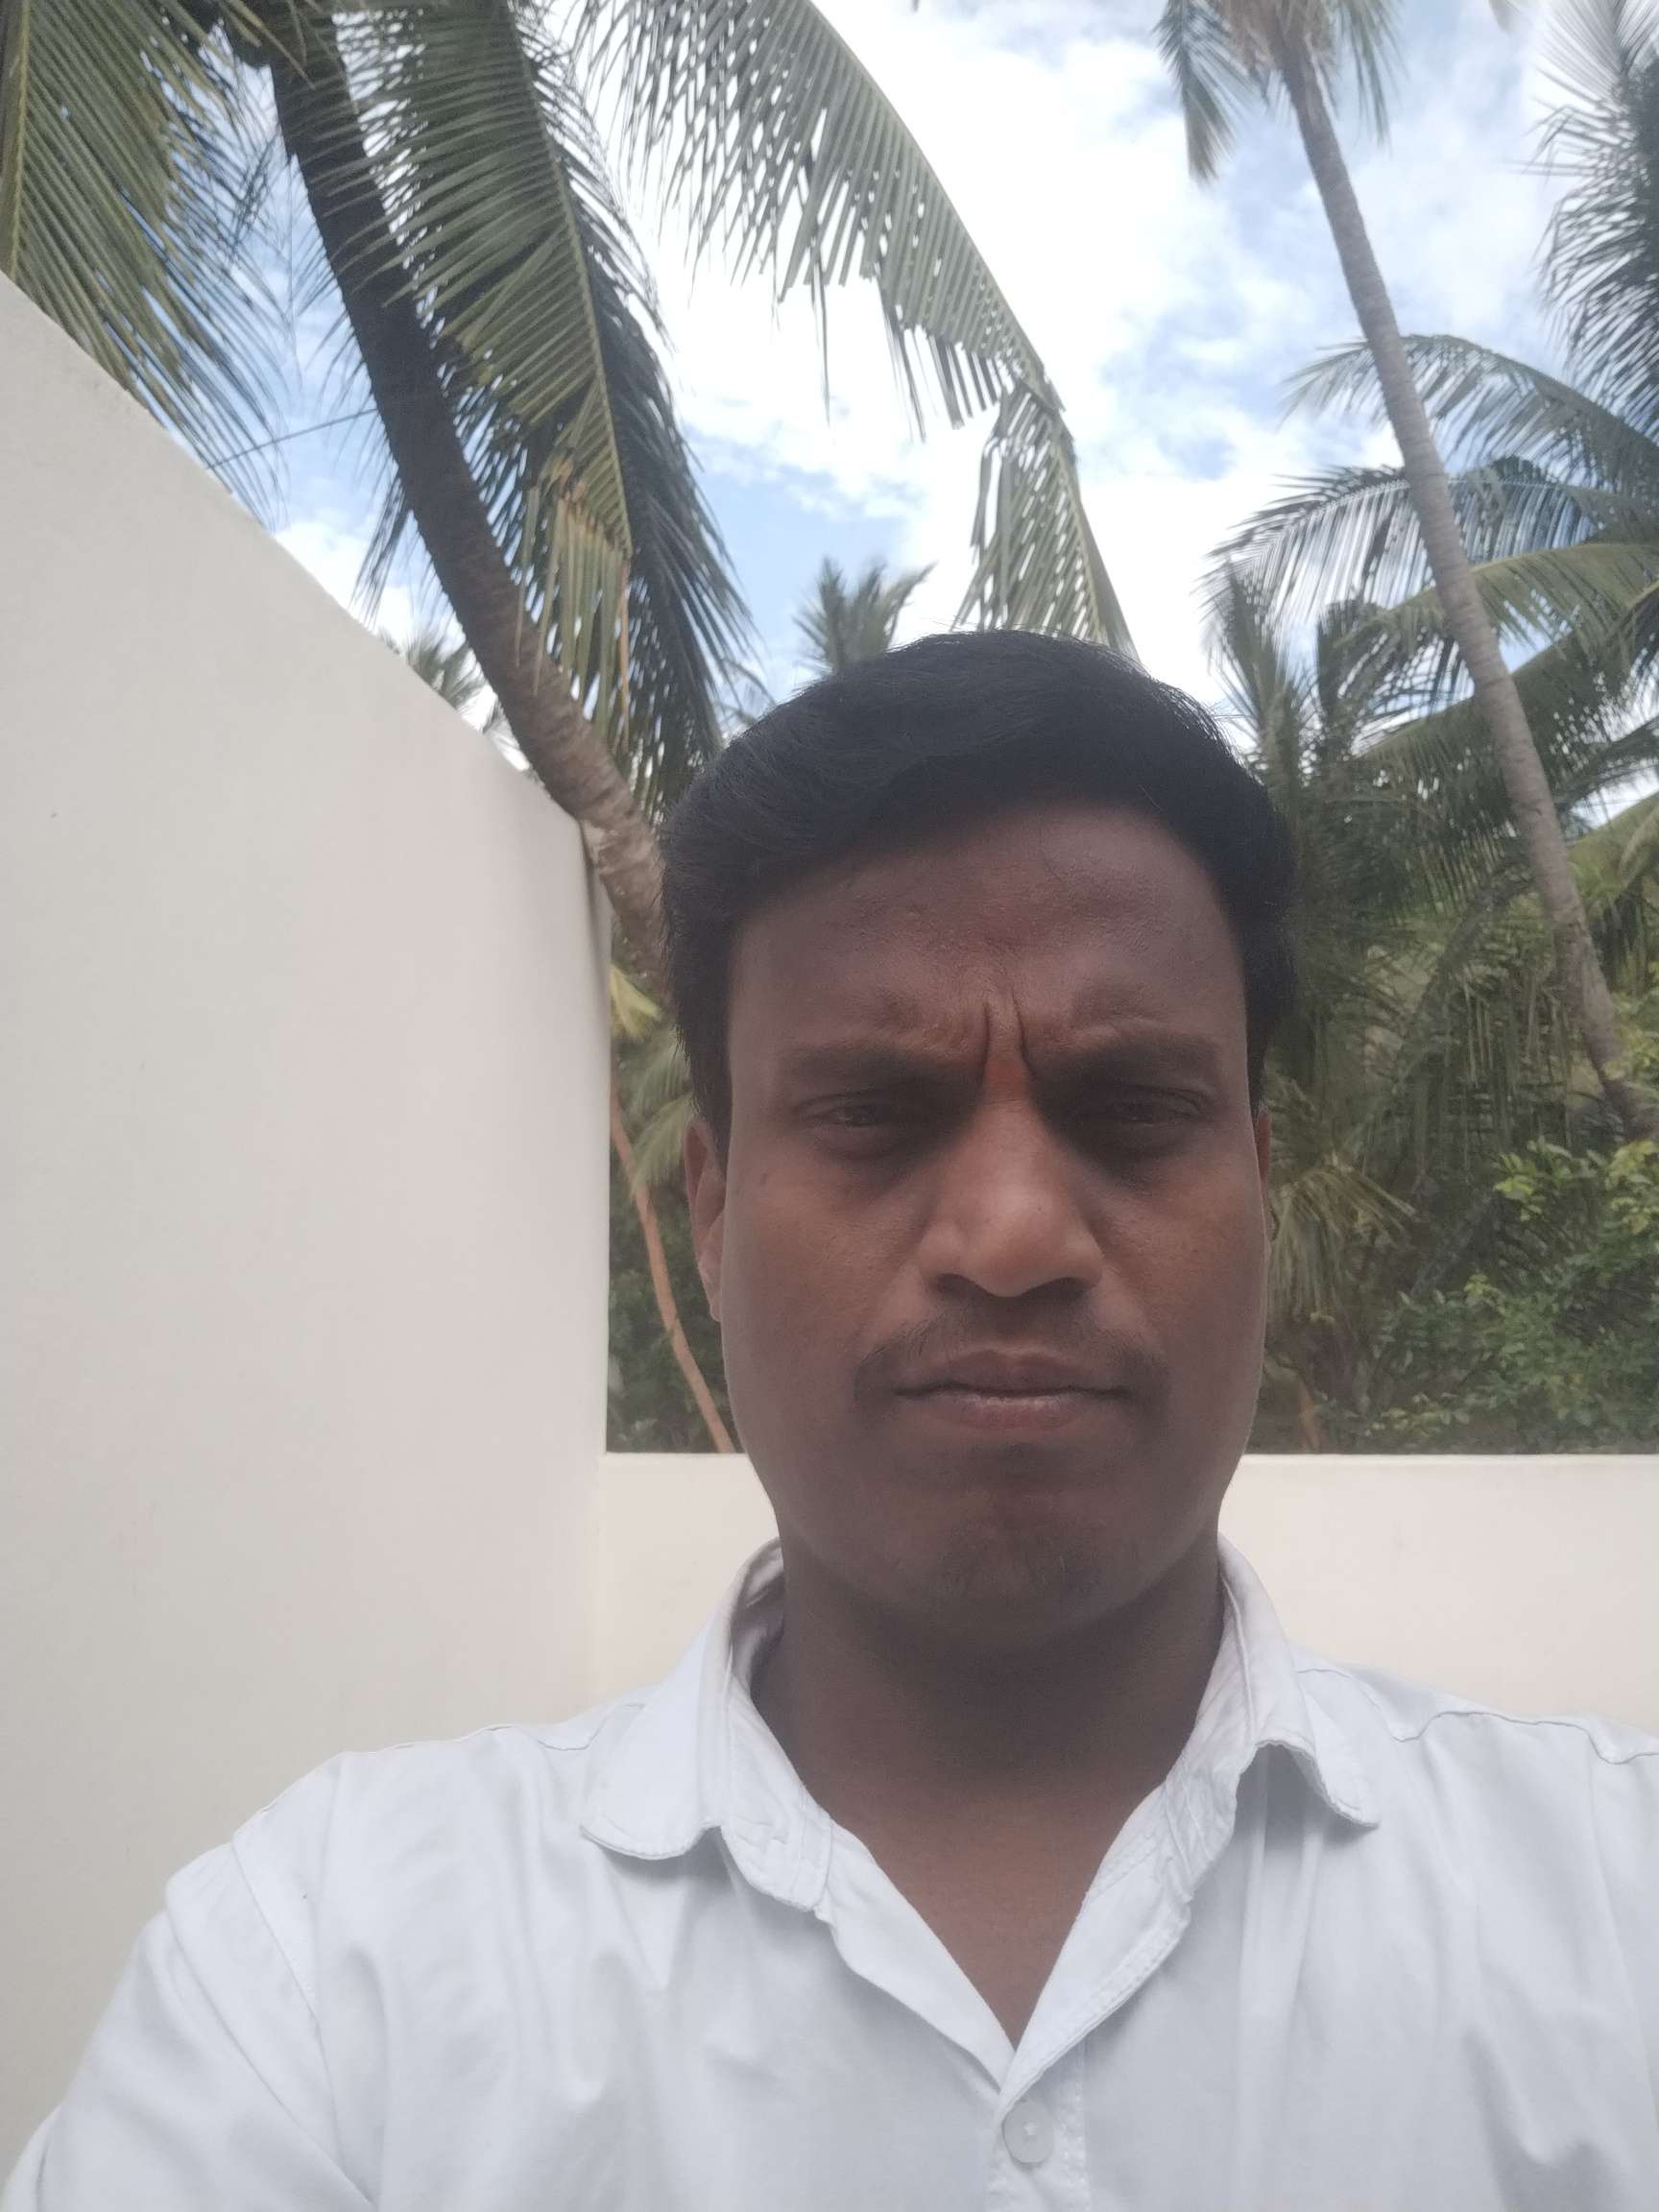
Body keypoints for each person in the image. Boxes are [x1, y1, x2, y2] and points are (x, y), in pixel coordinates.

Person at [7, 631, 1657, 2211]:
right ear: (712, 1204)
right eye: (874, 1112)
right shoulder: (322, 1975)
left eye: (1133, 1109)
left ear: (1259, 1181)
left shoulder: (1612, 1903)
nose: (1012, 1236)